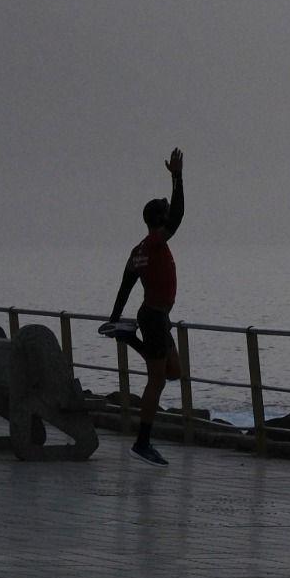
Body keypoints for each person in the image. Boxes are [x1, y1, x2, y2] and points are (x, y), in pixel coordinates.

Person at [102, 147, 184, 467]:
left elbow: (126, 284)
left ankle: (128, 338)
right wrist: (177, 177)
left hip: (155, 318)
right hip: (153, 318)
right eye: (165, 212)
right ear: (159, 221)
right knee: (157, 380)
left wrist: (114, 319)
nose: (169, 214)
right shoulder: (154, 242)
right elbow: (178, 215)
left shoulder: (138, 249)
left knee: (174, 372)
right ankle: (142, 442)